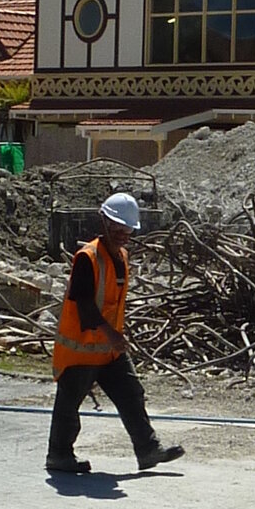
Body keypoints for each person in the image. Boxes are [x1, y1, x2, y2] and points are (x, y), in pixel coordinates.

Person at [47, 191, 185, 478]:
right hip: (81, 348)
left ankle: (148, 450)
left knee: (132, 393)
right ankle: (59, 455)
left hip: (108, 349)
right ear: (104, 222)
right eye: (118, 228)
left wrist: (114, 335)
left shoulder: (122, 256)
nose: (123, 234)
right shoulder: (87, 258)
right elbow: (84, 304)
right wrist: (110, 333)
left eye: (127, 229)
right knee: (69, 404)